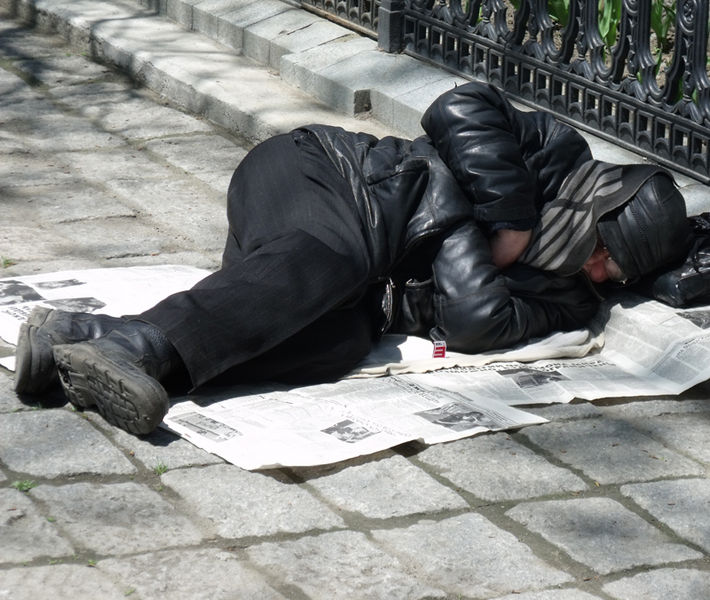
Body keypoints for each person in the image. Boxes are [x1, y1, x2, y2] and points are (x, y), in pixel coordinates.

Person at [13, 81, 691, 435]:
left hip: (347, 283)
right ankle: (133, 346)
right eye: (602, 250)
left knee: (338, 341)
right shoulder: (552, 154)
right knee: (334, 259)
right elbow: (459, 107)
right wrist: (508, 222)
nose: (595, 273)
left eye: (613, 274)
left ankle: (84, 340)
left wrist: (461, 220)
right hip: (321, 177)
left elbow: (477, 322)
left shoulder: (572, 294)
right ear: (598, 203)